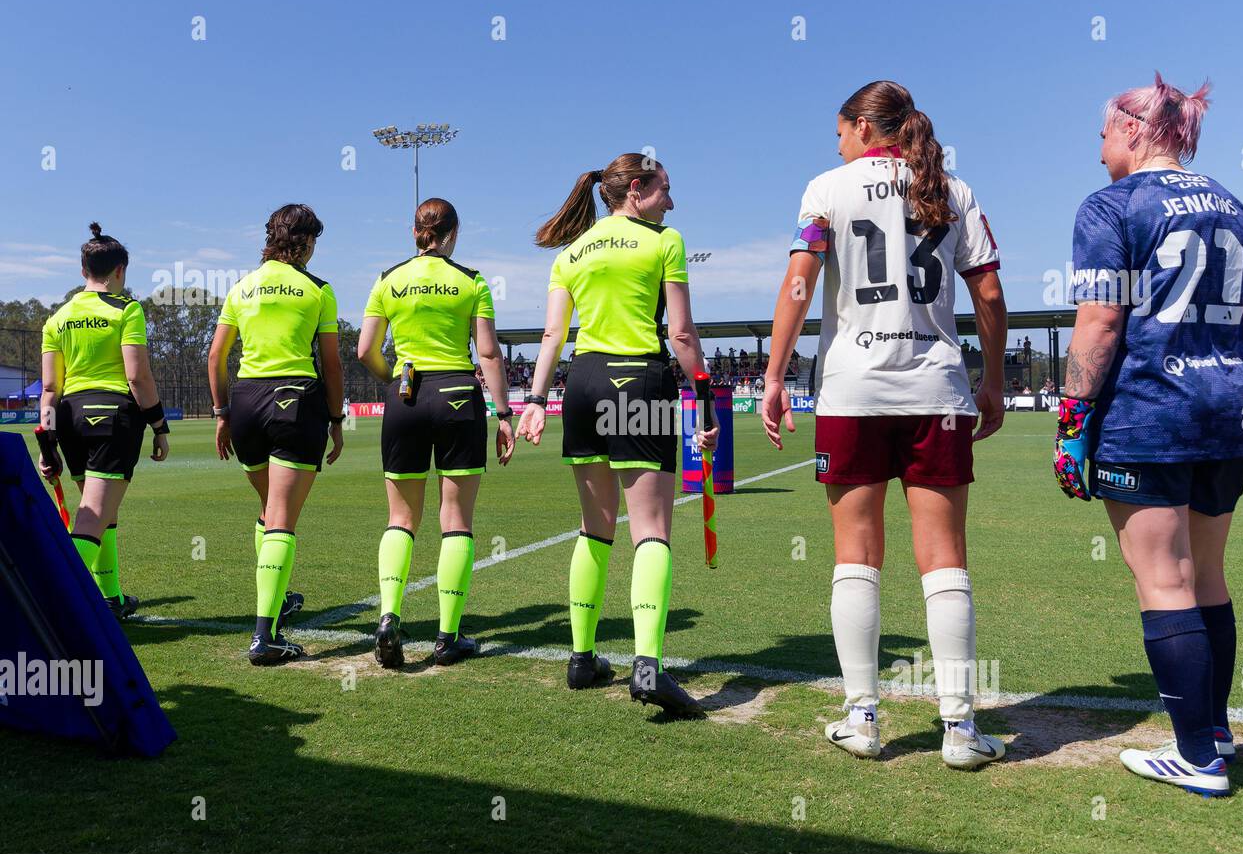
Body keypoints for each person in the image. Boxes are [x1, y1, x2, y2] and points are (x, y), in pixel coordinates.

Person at [762, 80, 1010, 768]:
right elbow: (987, 290)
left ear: (865, 129)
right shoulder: (953, 190)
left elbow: (799, 285)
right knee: (945, 558)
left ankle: (863, 717)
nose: (837, 143)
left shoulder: (826, 189)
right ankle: (959, 729)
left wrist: (776, 375)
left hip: (853, 394)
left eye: (841, 130)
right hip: (937, 392)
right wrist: (992, 378)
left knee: (855, 555)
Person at [1054, 73, 1243, 796]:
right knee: (1206, 575)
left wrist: (1074, 423)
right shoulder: (1238, 209)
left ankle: (1197, 758)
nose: (1098, 147)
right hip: (1224, 415)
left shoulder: (1111, 207)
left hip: (1149, 414)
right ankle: (1213, 731)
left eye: (1103, 132)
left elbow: (1101, 322)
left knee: (1163, 581)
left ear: (1133, 128)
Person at [518, 152, 718, 717]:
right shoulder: (665, 241)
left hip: (580, 384)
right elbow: (680, 332)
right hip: (639, 379)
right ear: (636, 190)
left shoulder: (572, 251)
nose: (672, 202)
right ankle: (649, 670)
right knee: (652, 528)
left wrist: (535, 400)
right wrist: (706, 404)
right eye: (665, 190)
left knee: (594, 527)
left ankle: (581, 659)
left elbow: (554, 333)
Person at [357, 198, 515, 668]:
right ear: (453, 234)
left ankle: (388, 617)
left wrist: (393, 376)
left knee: (400, 519)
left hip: (405, 396)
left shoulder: (388, 279)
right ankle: (448, 637)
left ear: (414, 234)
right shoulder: (472, 281)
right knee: (456, 519)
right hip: (458, 396)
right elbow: (488, 355)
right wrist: (503, 414)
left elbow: (365, 349)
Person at [208, 204, 345, 665]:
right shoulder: (318, 289)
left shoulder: (241, 287)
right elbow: (331, 364)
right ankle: (265, 636)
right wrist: (337, 419)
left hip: (245, 402)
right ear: (304, 242)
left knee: (268, 510)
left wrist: (222, 414)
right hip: (295, 400)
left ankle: (279, 597)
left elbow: (215, 357)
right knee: (282, 517)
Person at [38, 223, 169, 620]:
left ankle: (110, 599)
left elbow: (48, 388)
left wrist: (47, 444)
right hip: (112, 416)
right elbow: (137, 376)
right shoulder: (126, 309)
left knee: (102, 513)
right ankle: (53, 603)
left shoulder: (57, 319)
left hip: (69, 417)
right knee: (93, 514)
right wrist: (160, 425)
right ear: (120, 271)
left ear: (83, 271)